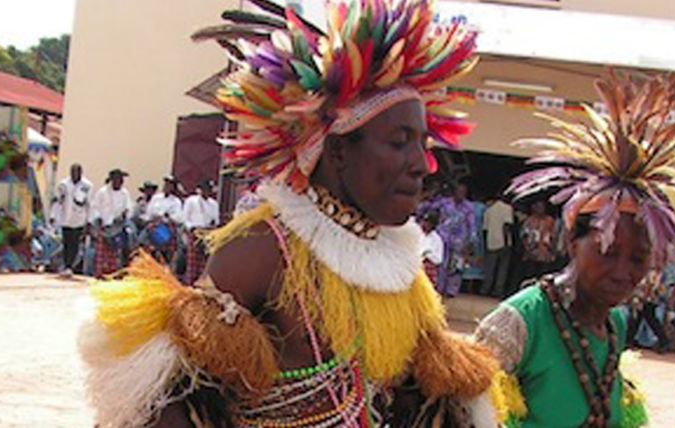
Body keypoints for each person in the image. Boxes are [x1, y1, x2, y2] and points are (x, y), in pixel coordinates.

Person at [77, 1, 513, 425]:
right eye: (400, 141)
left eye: (424, 144)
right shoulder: (267, 248)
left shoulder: (403, 271)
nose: (421, 164)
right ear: (339, 151)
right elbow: (167, 403)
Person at [475, 72, 675, 427]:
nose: (622, 271)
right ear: (572, 242)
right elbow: (465, 414)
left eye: (638, 258)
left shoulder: (615, 321)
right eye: (608, 251)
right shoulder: (519, 322)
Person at [421, 183, 480, 297]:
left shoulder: (468, 207)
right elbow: (427, 208)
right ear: (454, 193)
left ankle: (451, 290)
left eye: (463, 193)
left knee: (456, 266)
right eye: (459, 192)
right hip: (442, 236)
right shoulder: (444, 203)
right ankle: (439, 287)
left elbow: (472, 224)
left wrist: (472, 239)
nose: (461, 195)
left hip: (459, 240)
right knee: (441, 262)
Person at [91, 169, 134, 278]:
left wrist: (125, 213)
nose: (120, 182)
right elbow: (95, 207)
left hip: (117, 227)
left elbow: (129, 208)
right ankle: (100, 273)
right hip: (104, 225)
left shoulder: (125, 193)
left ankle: (113, 274)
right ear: (112, 180)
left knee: (115, 252)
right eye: (118, 179)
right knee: (102, 253)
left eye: (121, 180)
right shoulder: (102, 192)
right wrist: (98, 218)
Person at [55, 163, 92, 276]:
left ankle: (70, 266)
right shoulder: (63, 184)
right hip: (65, 218)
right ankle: (66, 265)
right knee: (66, 243)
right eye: (73, 172)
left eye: (77, 172)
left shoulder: (87, 186)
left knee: (74, 243)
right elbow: (58, 202)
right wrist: (55, 217)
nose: (75, 174)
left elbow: (89, 204)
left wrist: (88, 221)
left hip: (79, 219)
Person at [180, 181, 220, 283]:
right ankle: (191, 281)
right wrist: (191, 228)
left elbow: (217, 220)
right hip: (195, 232)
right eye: (205, 189)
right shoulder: (192, 201)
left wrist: (213, 223)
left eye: (209, 189)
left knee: (205, 259)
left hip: (208, 233)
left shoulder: (213, 204)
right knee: (193, 261)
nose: (206, 191)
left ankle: (202, 281)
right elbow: (184, 218)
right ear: (201, 189)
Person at [481, 195, 516, 297]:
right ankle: (498, 290)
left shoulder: (489, 210)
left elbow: (485, 229)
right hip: (503, 242)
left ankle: (486, 288)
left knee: (490, 267)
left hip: (491, 242)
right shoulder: (508, 208)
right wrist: (506, 242)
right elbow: (506, 225)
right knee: (502, 268)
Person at [421, 212, 445, 285]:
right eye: (424, 221)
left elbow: (438, 259)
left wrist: (427, 255)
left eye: (428, 222)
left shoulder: (437, 239)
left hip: (429, 266)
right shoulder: (418, 235)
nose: (425, 224)